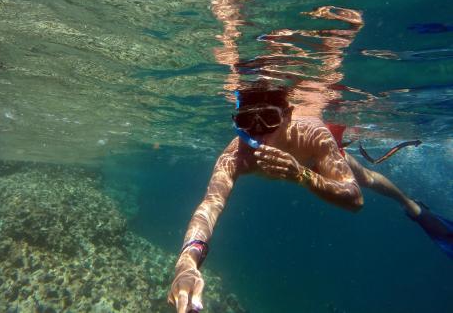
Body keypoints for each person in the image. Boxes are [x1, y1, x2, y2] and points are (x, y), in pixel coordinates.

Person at [168, 86, 453, 313]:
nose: (258, 134)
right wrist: (187, 263)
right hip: (306, 165)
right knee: (361, 175)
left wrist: (303, 175)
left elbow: (355, 199)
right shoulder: (236, 155)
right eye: (245, 122)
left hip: (313, 160)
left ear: (288, 116)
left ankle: (412, 205)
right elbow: (209, 205)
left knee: (364, 177)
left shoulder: (315, 136)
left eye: (268, 119)